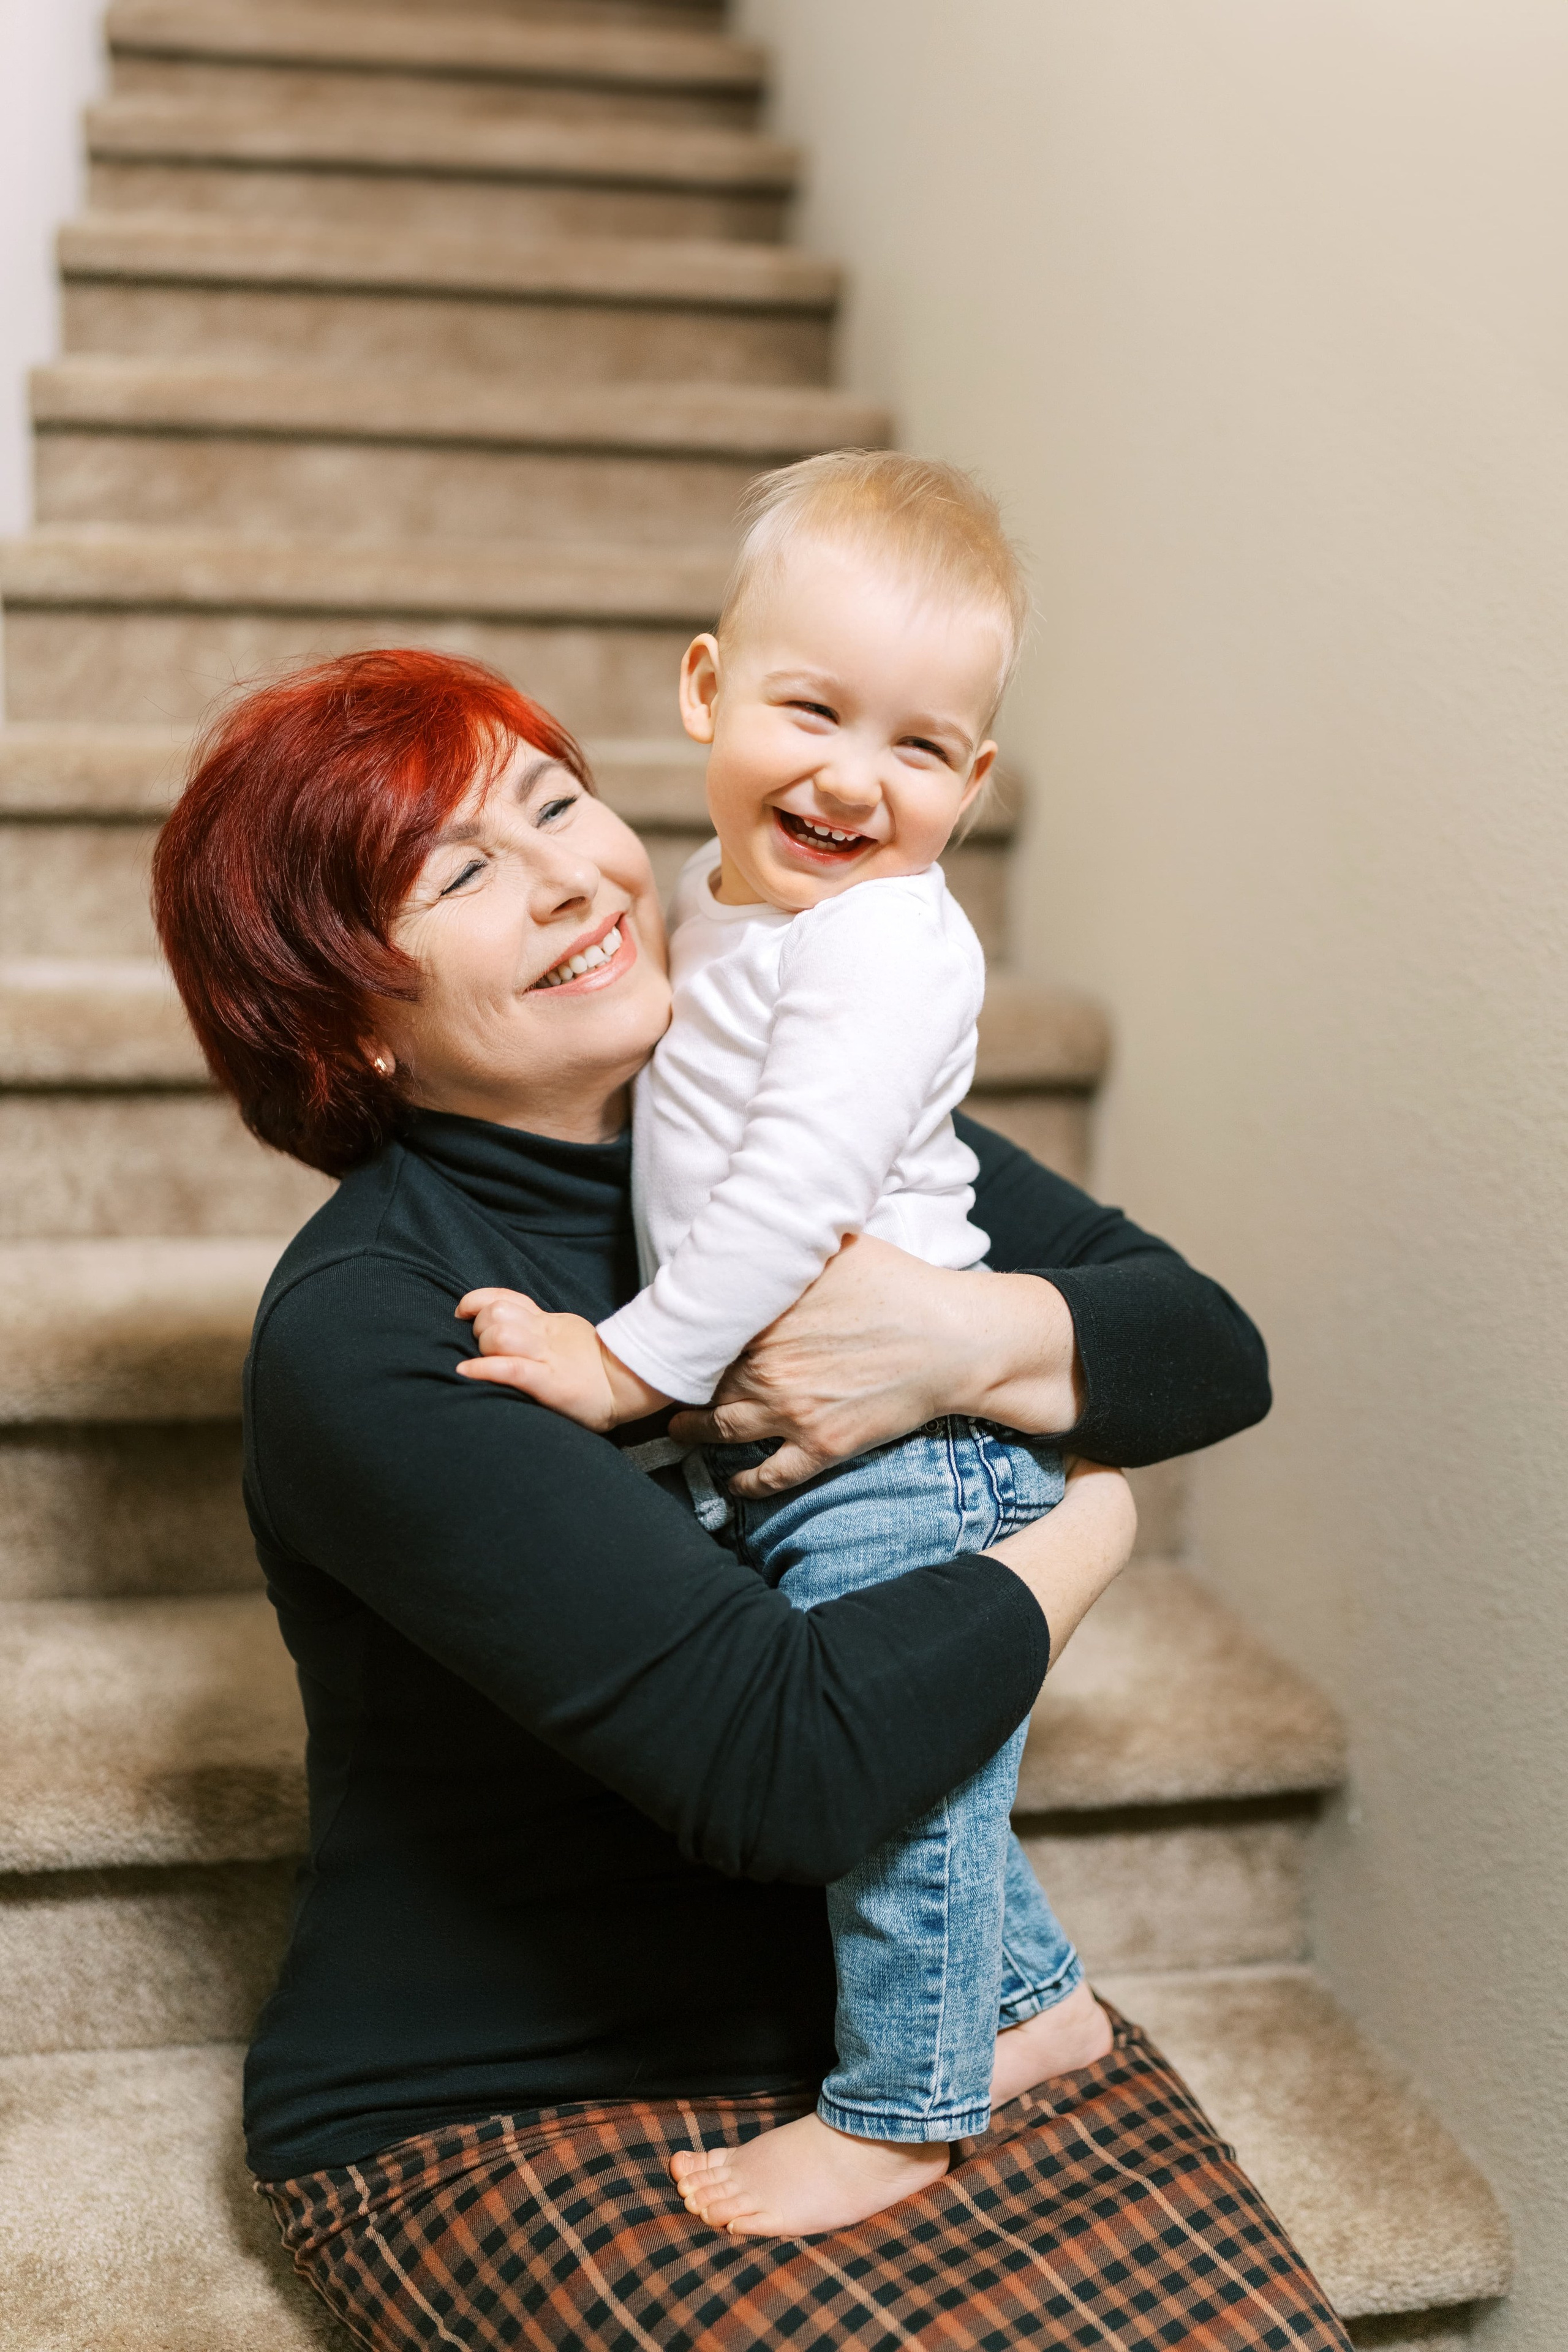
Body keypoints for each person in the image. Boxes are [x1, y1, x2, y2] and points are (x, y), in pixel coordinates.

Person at [151, 647, 1351, 2352]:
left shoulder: (761, 1110)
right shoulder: (374, 1332)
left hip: (907, 2001)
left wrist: (956, 1334)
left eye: (557, 803)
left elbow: (1206, 1350)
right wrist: (1093, 1525)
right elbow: (785, 1772)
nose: (574, 873)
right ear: (346, 1020)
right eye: (467, 873)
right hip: (505, 2097)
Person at [451, 452, 1102, 2238]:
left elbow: (793, 1197)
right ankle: (1039, 2013)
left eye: (915, 748)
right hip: (816, 1440)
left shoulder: (887, 946)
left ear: (969, 787)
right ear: (705, 691)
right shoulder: (726, 905)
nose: (847, 777)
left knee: (892, 1793)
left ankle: (901, 2113)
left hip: (912, 1452)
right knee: (926, 1774)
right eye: (811, 710)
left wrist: (624, 1370)